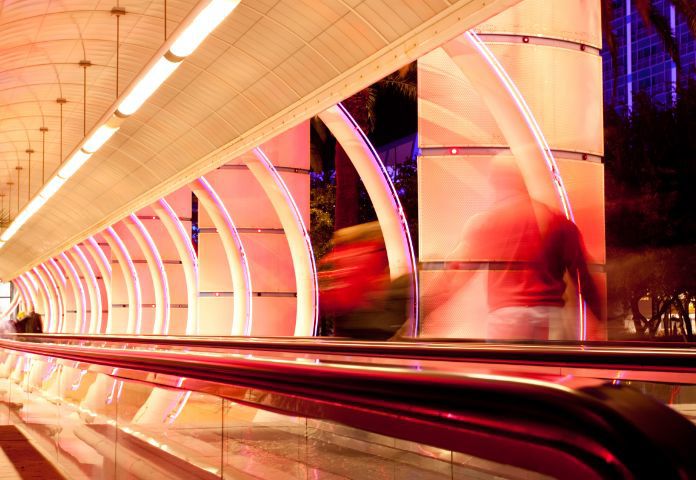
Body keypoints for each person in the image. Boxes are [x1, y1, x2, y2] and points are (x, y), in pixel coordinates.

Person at [442, 157, 602, 340]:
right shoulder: (556, 220)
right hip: (549, 315)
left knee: (507, 367)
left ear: (497, 184)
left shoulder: (489, 222)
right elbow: (583, 275)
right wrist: (599, 319)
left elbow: (458, 270)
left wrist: (428, 305)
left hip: (507, 318)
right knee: (548, 367)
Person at [318, 222, 409, 340]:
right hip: (373, 322)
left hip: (355, 321)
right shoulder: (370, 254)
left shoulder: (343, 256)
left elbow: (335, 296)